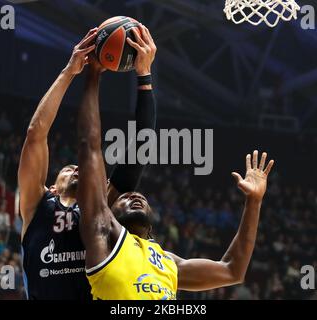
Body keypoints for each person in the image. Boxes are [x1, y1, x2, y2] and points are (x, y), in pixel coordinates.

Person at [77, 25, 275, 300]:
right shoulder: (102, 230)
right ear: (108, 209)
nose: (135, 196)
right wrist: (93, 74)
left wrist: (253, 203)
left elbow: (232, 271)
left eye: (139, 197)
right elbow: (90, 148)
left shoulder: (167, 263)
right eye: (125, 198)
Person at [18, 26, 157, 300]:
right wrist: (69, 71)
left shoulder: (101, 203)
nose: (77, 168)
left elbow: (143, 144)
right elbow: (36, 134)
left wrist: (144, 75)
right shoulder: (36, 204)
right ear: (52, 188)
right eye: (68, 168)